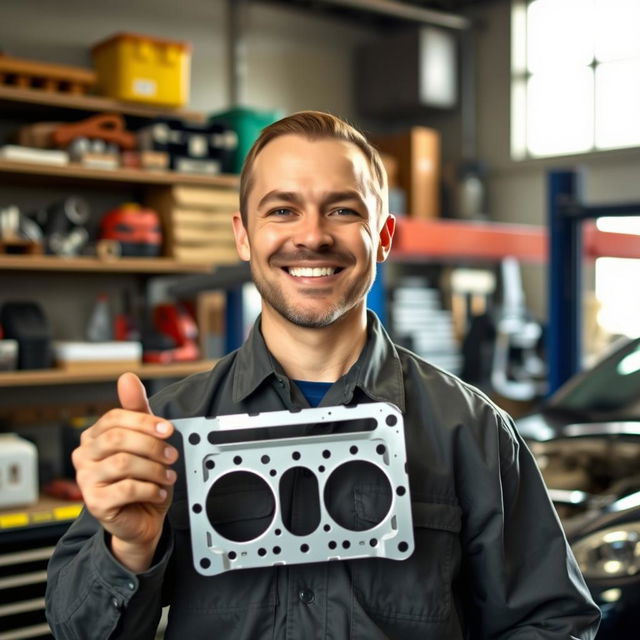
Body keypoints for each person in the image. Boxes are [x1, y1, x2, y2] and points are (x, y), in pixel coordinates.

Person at [46, 111, 600, 640]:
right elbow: (78, 630)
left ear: (383, 236)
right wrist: (129, 549)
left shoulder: (472, 431)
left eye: (342, 210)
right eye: (282, 210)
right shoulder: (168, 431)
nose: (311, 236)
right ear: (243, 235)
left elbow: (552, 622)